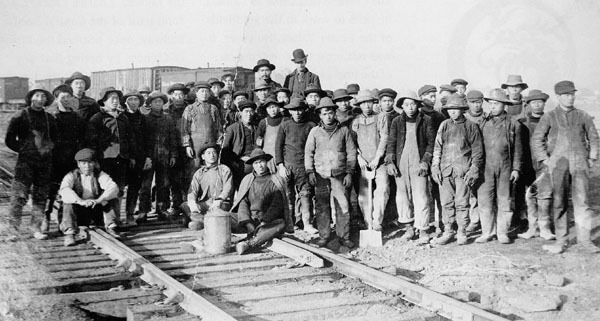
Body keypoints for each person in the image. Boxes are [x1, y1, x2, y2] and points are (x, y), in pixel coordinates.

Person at [532, 81, 600, 254]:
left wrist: (592, 157)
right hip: (558, 165)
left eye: (572, 94)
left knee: (582, 202)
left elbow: (593, 138)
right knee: (559, 202)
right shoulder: (549, 116)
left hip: (579, 165)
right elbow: (537, 139)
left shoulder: (582, 115)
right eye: (566, 95)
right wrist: (545, 159)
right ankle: (561, 240)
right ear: (558, 97)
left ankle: (585, 241)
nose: (570, 97)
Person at [4, 86, 57, 240]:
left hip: (44, 163)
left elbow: (55, 138)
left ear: (46, 100)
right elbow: (9, 139)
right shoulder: (21, 115)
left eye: (43, 97)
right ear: (31, 98)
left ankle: (36, 228)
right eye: (37, 96)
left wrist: (47, 149)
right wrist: (24, 149)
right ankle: (13, 230)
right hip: (25, 163)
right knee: (19, 196)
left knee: (41, 196)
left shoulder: (49, 118)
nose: (40, 99)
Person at [431, 94, 484, 245]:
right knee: (446, 202)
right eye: (450, 109)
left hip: (463, 171)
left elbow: (477, 151)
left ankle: (462, 231)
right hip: (445, 171)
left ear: (462, 109)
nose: (453, 112)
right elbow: (437, 148)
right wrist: (435, 166)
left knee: (462, 202)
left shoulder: (471, 126)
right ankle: (448, 231)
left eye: (456, 109)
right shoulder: (444, 125)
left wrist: (474, 169)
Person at [305, 97, 357, 248]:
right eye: (324, 113)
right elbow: (308, 153)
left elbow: (351, 153)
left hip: (339, 174)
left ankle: (343, 236)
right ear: (320, 115)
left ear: (335, 113)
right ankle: (324, 235)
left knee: (343, 205)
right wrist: (310, 172)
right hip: (321, 174)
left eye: (330, 113)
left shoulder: (344, 131)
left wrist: (349, 172)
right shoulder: (315, 132)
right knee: (322, 206)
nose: (328, 116)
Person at [385, 91, 435, 245]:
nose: (410, 108)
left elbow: (431, 143)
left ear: (417, 105)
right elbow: (391, 143)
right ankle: (409, 228)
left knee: (421, 196)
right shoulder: (396, 121)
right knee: (402, 197)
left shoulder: (426, 120)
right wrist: (390, 162)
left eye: (412, 104)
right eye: (406, 105)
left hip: (418, 163)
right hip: (401, 163)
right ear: (402, 107)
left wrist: (426, 161)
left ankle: (423, 229)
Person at [476, 89, 523, 244]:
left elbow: (518, 149)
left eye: (497, 103)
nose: (493, 106)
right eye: (491, 103)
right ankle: (487, 232)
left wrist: (516, 168)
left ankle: (503, 232)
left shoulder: (514, 124)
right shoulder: (483, 122)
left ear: (504, 105)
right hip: (485, 167)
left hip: (505, 167)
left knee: (505, 199)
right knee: (485, 199)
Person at [88, 87, 137, 226]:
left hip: (121, 159)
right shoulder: (97, 118)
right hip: (105, 159)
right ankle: (102, 220)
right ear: (104, 102)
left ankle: (114, 219)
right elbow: (92, 141)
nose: (116, 101)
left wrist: (131, 156)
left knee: (119, 189)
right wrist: (94, 160)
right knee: (105, 189)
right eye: (112, 99)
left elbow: (130, 138)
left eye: (117, 99)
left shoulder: (123, 118)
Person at [44, 85, 86, 234]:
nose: (66, 99)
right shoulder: (51, 116)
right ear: (56, 99)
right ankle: (46, 218)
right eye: (63, 97)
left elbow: (82, 138)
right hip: (54, 159)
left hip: (71, 159)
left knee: (68, 191)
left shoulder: (76, 117)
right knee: (50, 191)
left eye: (69, 97)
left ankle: (64, 222)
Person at [233, 149, 292, 255]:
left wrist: (264, 222)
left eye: (262, 162)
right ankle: (229, 241)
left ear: (266, 162)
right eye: (256, 163)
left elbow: (277, 205)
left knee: (281, 224)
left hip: (267, 222)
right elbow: (243, 202)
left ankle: (250, 243)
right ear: (253, 166)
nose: (259, 165)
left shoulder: (275, 180)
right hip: (250, 220)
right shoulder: (248, 180)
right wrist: (247, 222)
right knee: (224, 217)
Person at [59, 148, 120, 245]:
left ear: (95, 163)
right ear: (78, 164)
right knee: (68, 203)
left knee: (111, 198)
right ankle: (69, 233)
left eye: (90, 163)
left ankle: (112, 227)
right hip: (78, 211)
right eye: (83, 163)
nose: (87, 166)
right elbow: (65, 190)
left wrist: (99, 200)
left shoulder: (100, 174)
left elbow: (113, 187)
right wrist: (80, 201)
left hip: (95, 209)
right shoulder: (71, 175)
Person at [516, 90, 555, 241]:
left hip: (545, 163)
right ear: (528, 104)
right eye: (533, 102)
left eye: (540, 102)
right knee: (530, 196)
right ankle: (533, 228)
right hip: (527, 164)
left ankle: (545, 228)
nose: (537, 105)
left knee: (545, 195)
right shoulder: (522, 123)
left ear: (544, 103)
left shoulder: (552, 120)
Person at [275, 98, 318, 233]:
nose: (297, 113)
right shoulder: (285, 125)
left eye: (299, 110)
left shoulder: (311, 126)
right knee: (288, 195)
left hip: (304, 166)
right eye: (294, 110)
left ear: (304, 110)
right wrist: (281, 166)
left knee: (306, 194)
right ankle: (290, 223)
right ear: (290, 111)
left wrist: (310, 168)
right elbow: (278, 147)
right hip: (288, 167)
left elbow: (314, 147)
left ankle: (307, 223)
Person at [137, 92, 178, 223]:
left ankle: (162, 209)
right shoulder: (145, 119)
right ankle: (143, 211)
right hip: (149, 157)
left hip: (164, 156)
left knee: (164, 184)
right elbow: (141, 140)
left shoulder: (168, 119)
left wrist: (173, 155)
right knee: (145, 184)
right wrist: (144, 157)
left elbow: (173, 138)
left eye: (160, 101)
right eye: (155, 102)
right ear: (150, 104)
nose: (158, 104)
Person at [351, 91, 389, 231]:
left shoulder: (381, 118)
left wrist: (377, 158)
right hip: (363, 163)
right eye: (363, 103)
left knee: (383, 189)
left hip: (379, 162)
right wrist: (359, 157)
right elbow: (352, 142)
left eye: (369, 102)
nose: (366, 105)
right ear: (359, 105)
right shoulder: (355, 121)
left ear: (373, 103)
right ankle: (367, 222)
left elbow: (384, 138)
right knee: (364, 193)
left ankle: (377, 221)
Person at [181, 81, 222, 192]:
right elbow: (184, 129)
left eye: (207, 91)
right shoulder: (189, 109)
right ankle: (190, 199)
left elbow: (219, 128)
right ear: (196, 93)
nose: (204, 94)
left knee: (211, 171)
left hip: (211, 145)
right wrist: (187, 146)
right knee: (194, 171)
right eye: (202, 91)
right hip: (195, 146)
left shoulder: (213, 108)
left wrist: (219, 143)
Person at [181, 143, 233, 230]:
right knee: (185, 206)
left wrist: (219, 200)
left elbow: (228, 188)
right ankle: (206, 222)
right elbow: (193, 189)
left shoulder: (224, 169)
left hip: (220, 204)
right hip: (205, 204)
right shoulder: (199, 173)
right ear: (203, 157)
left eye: (214, 153)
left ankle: (200, 222)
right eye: (208, 153)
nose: (212, 155)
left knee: (220, 211)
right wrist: (192, 202)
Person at [418, 85, 446, 236]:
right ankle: (423, 225)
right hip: (422, 158)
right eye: (429, 96)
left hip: (437, 158)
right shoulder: (418, 115)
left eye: (434, 96)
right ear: (422, 97)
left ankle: (441, 222)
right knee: (423, 193)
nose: (433, 99)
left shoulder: (439, 116)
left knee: (438, 190)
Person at [122, 90, 149, 226]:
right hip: (124, 157)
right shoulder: (121, 117)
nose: (133, 102)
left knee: (134, 188)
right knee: (119, 188)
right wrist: (129, 156)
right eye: (130, 100)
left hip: (139, 157)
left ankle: (129, 215)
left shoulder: (142, 118)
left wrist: (147, 157)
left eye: (136, 100)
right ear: (125, 102)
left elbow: (147, 139)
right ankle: (112, 217)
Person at [464, 89, 486, 233]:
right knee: (470, 191)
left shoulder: (488, 118)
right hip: (468, 158)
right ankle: (474, 219)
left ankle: (486, 220)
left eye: (478, 102)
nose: (476, 106)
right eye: (473, 103)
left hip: (487, 158)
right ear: (467, 103)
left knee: (485, 190)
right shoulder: (464, 118)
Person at [164, 83, 189, 216]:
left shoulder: (190, 109)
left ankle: (187, 206)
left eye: (181, 94)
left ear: (184, 96)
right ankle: (176, 205)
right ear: (172, 96)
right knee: (174, 178)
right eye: (176, 94)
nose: (178, 97)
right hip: (172, 149)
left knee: (187, 177)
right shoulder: (167, 111)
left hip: (187, 148)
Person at [222, 101, 258, 187]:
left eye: (251, 111)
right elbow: (226, 150)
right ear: (240, 113)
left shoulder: (256, 128)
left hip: (254, 160)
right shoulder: (232, 128)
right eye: (246, 111)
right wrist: (238, 160)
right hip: (238, 162)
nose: (249, 114)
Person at [256, 98, 285, 173]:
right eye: (269, 108)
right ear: (266, 110)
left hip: (282, 156)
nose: (272, 110)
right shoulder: (263, 123)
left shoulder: (285, 121)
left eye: (274, 107)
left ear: (278, 108)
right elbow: (258, 141)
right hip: (268, 156)